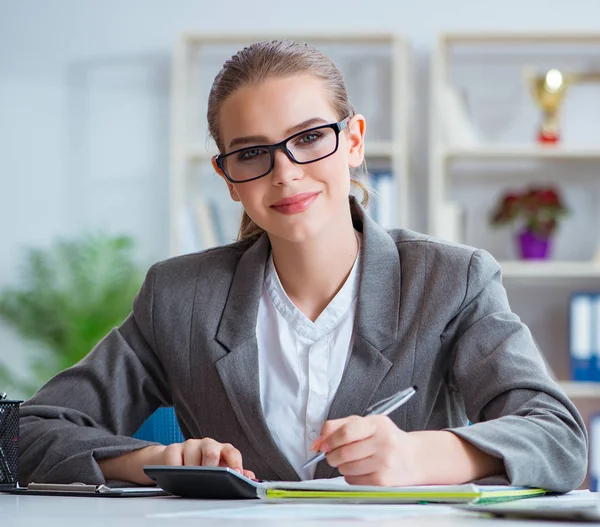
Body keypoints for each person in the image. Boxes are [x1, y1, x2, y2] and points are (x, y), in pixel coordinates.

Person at [20, 40, 587, 492]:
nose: (285, 173)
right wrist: (155, 461)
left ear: (354, 141)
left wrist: (421, 455)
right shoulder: (180, 296)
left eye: (310, 138)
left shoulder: (452, 281)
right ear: (228, 179)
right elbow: (23, 433)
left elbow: (559, 439)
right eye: (251, 153)